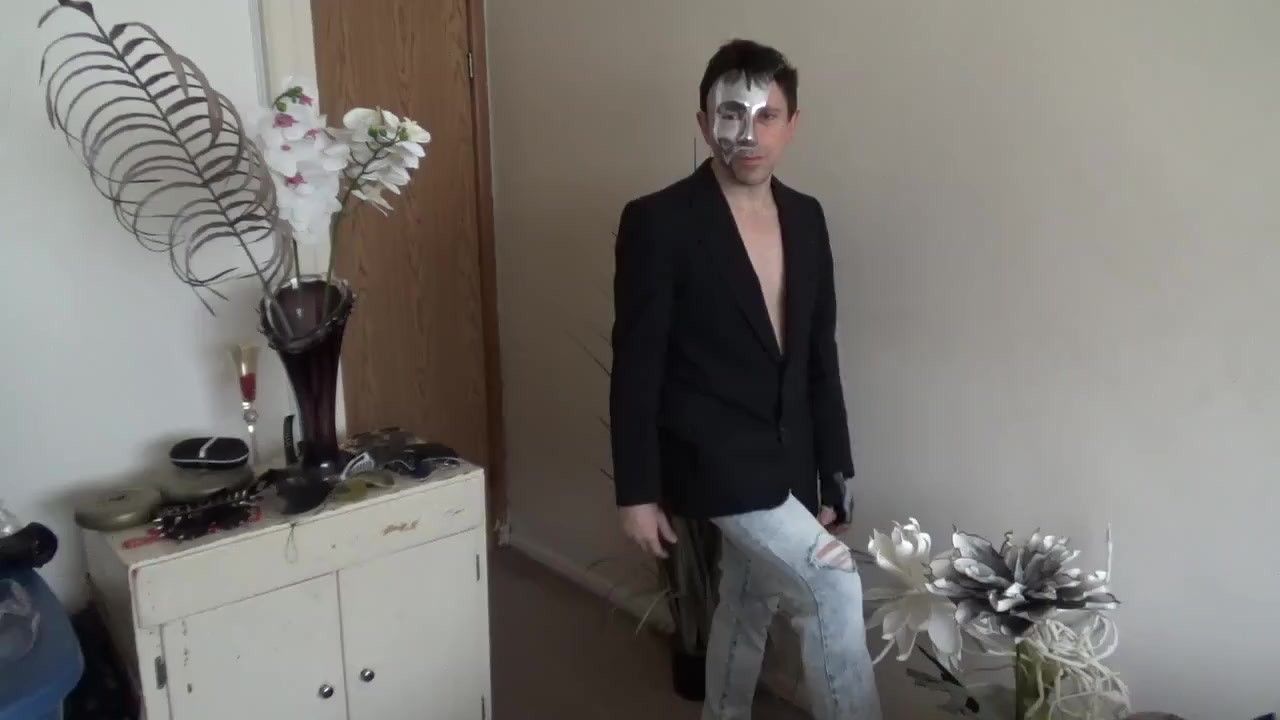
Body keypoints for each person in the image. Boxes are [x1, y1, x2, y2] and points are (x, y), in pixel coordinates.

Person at [609, 38, 883, 720]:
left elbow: (818, 350)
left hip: (788, 452)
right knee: (833, 583)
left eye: (767, 116)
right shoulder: (659, 221)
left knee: (748, 595)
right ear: (706, 123)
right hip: (712, 454)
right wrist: (636, 491)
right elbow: (637, 362)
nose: (749, 133)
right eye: (732, 114)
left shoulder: (807, 217)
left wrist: (835, 469)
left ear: (793, 124)